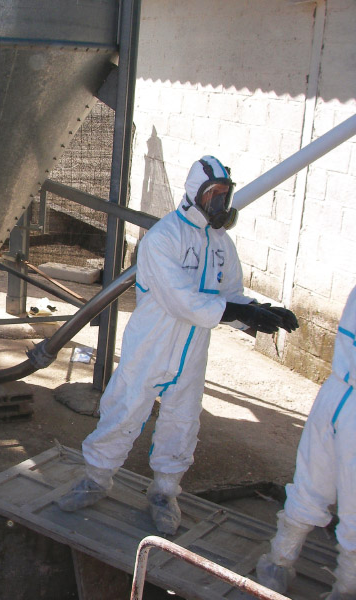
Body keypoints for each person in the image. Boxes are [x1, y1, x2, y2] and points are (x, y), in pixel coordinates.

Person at [56, 156, 299, 534]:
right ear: (194, 194)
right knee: (125, 409)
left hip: (192, 350)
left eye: (224, 195)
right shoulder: (163, 238)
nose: (220, 204)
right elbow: (182, 301)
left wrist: (259, 312)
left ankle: (165, 493)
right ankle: (95, 479)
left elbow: (229, 296)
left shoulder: (222, 244)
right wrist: (237, 310)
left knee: (182, 420)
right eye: (214, 195)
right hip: (152, 345)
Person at [256, 285, 356, 599]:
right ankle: (346, 590)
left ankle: (277, 565)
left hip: (335, 395)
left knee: (311, 484)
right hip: (343, 401)